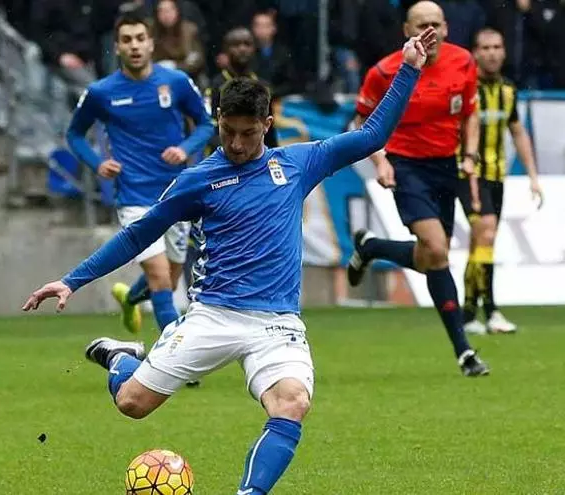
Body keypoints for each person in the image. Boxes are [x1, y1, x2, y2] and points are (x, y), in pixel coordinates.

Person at [22, 27, 436, 495]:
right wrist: (72, 280)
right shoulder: (198, 180)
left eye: (247, 133)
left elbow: (373, 134)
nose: (236, 144)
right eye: (228, 131)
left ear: (266, 124)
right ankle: (120, 357)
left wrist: (409, 68)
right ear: (217, 119)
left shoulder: (299, 163)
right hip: (213, 315)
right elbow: (139, 233)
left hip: (277, 322)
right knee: (133, 404)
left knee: (292, 403)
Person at [346, 0, 489, 377]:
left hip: (446, 166)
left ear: (446, 28)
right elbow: (360, 123)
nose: (431, 31)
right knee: (438, 251)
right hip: (406, 166)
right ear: (406, 31)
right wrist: (381, 162)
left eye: (436, 24)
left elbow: (470, 114)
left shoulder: (463, 62)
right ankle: (464, 352)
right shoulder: (384, 71)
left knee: (430, 258)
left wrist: (469, 155)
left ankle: (372, 247)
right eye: (422, 24)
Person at [66, 11, 213, 337]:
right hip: (133, 195)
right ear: (117, 47)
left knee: (170, 278)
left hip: (175, 195)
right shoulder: (101, 92)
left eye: (140, 39)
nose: (134, 46)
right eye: (127, 40)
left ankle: (130, 298)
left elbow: (206, 123)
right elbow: (74, 134)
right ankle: (175, 352)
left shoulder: (175, 82)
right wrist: (97, 163)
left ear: (151, 43)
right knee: (160, 279)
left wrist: (186, 148)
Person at [459, 28, 542, 336]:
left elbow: (517, 131)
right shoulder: (465, 88)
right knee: (487, 232)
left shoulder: (508, 90)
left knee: (480, 242)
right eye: (485, 48)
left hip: (497, 175)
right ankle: (491, 310)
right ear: (475, 53)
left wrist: (533, 175)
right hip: (469, 175)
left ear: (504, 52)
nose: (492, 53)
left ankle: (468, 313)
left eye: (497, 47)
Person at [207, 27, 279, 151]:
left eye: (247, 44)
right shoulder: (215, 86)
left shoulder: (263, 87)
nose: (242, 49)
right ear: (226, 50)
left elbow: (269, 132)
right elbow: (209, 126)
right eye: (236, 45)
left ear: (254, 48)